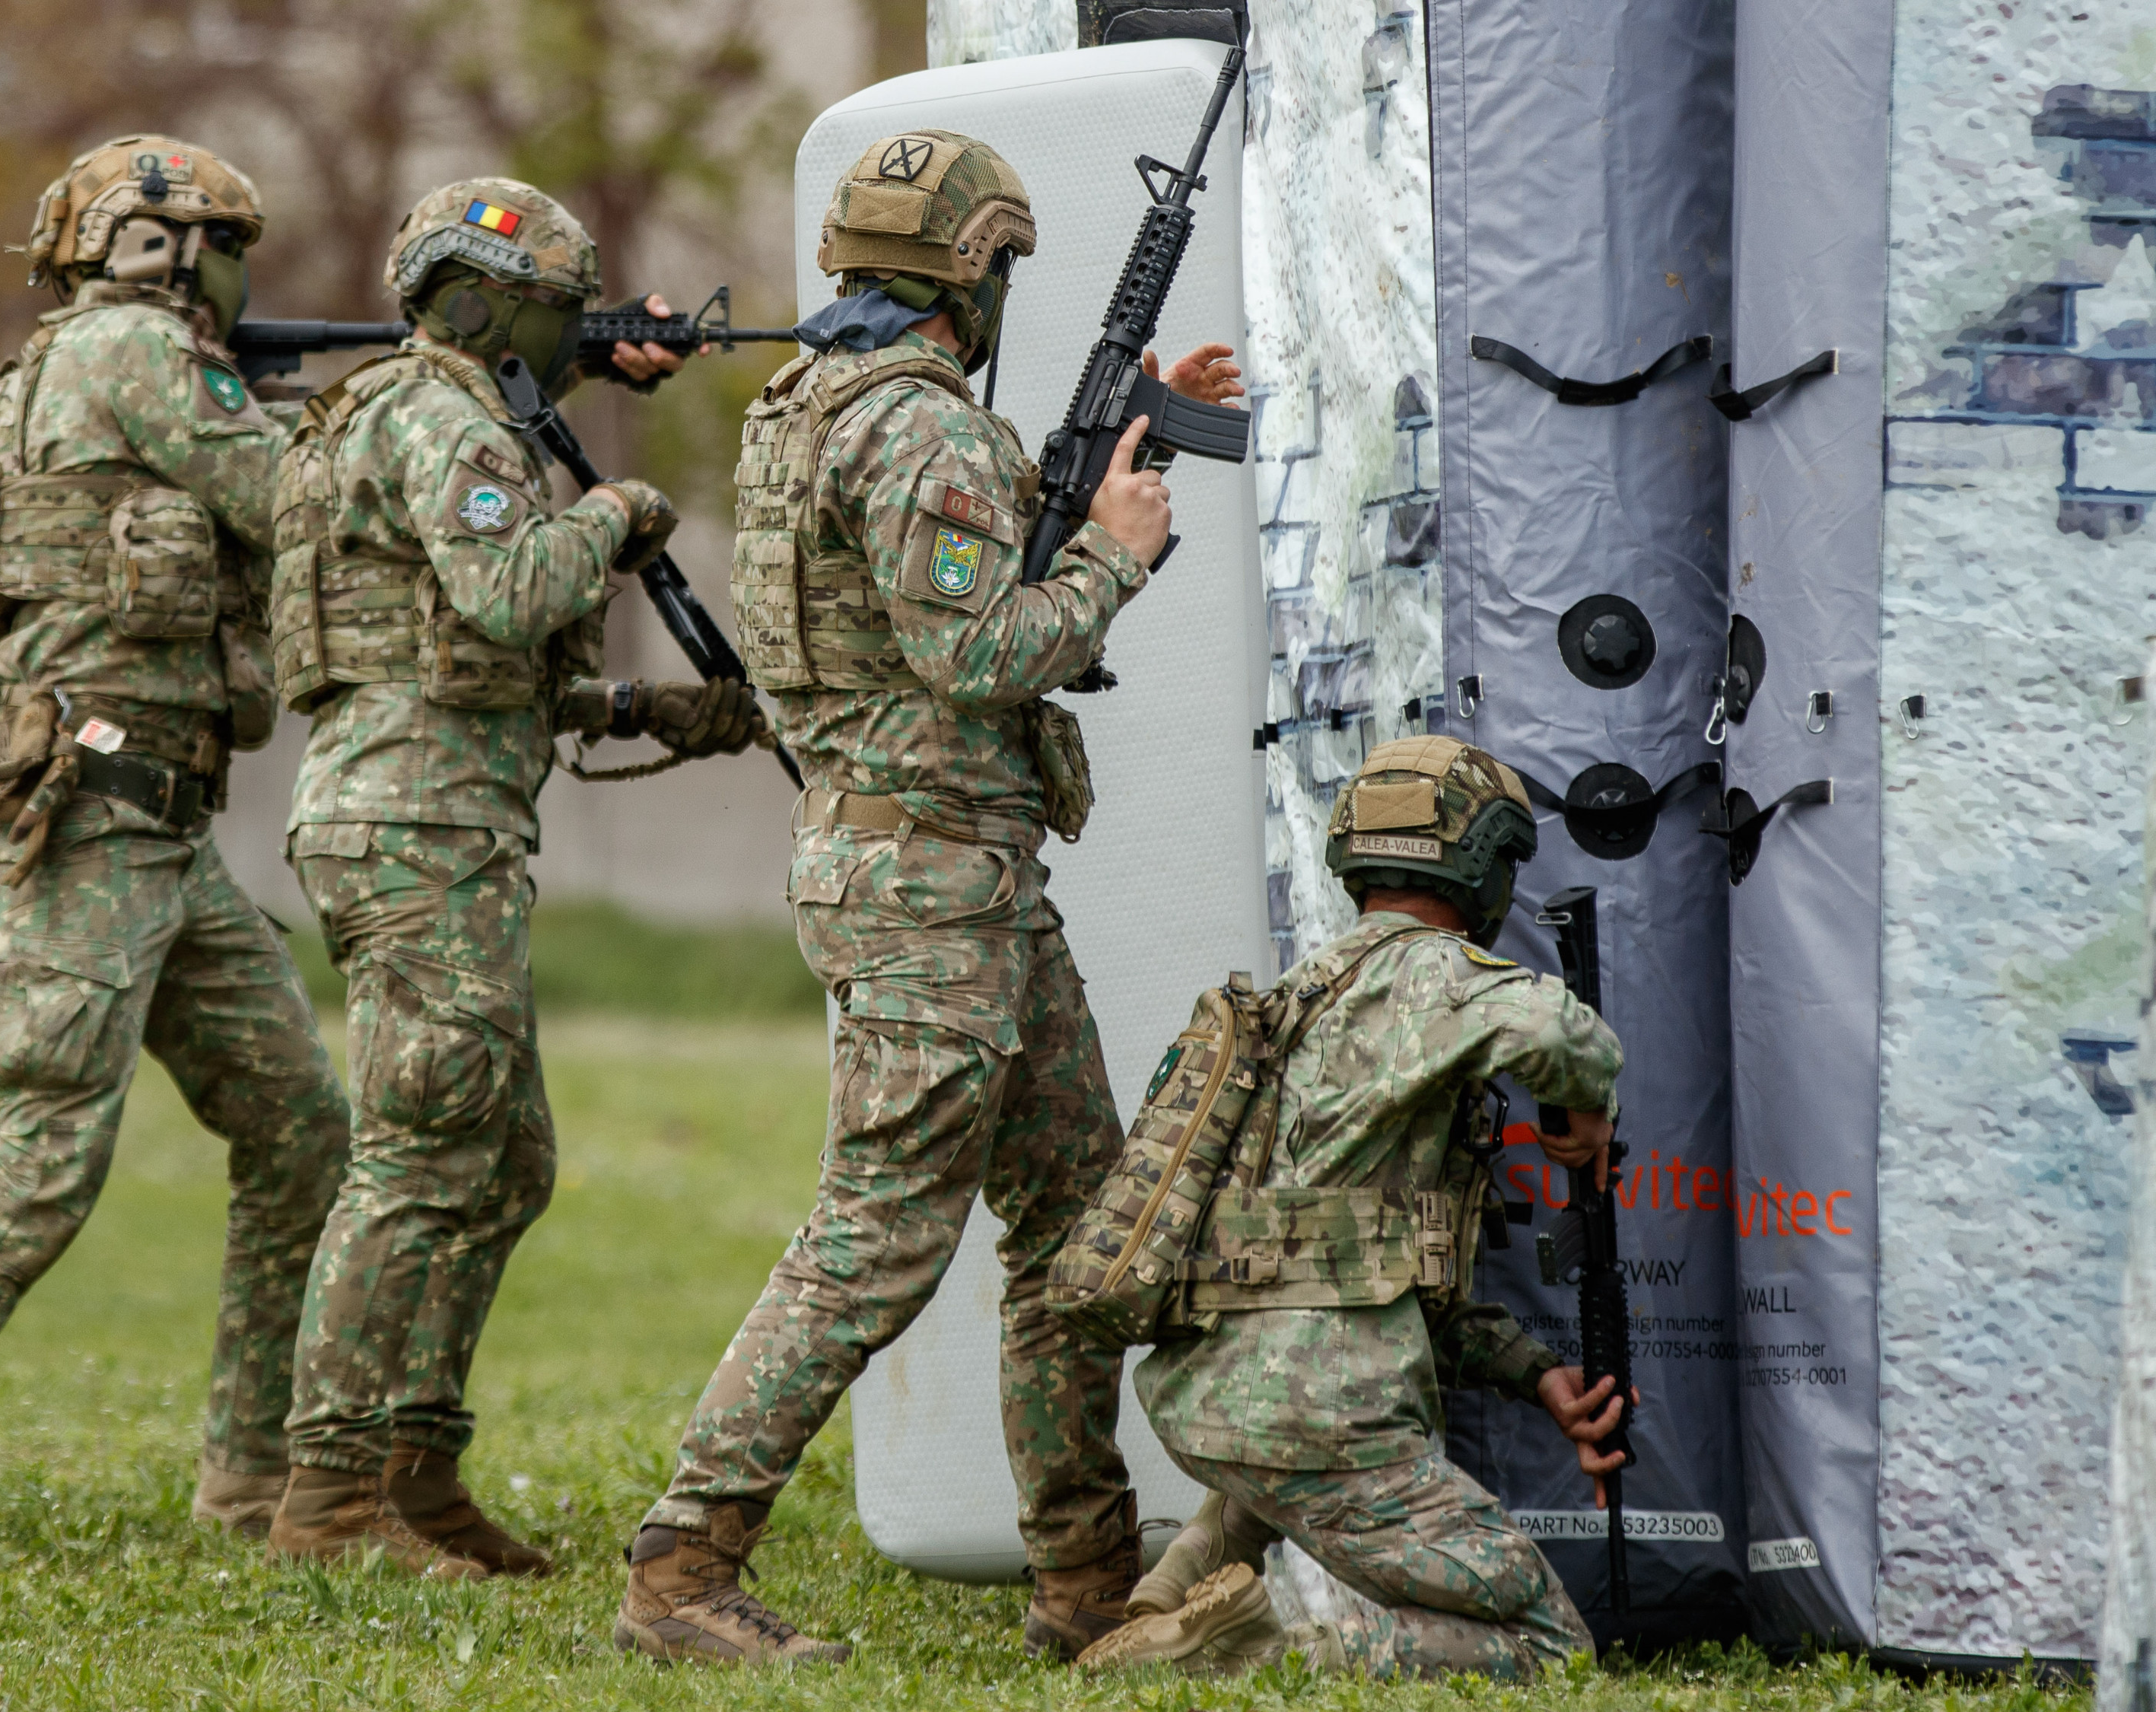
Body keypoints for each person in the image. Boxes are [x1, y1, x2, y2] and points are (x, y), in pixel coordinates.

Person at [613, 129, 1245, 1665]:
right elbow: (982, 653)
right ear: (972, 274)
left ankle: (1085, 1588)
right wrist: (1113, 552)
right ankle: (680, 1575)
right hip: (926, 891)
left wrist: (1097, 473)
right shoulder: (917, 426)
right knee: (876, 1237)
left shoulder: (810, 407)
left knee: (1068, 1220)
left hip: (945, 874)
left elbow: (918, 606)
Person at [0, 135, 357, 1554]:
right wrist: (440, 417)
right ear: (156, 247)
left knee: (299, 1130)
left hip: (156, 829)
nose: (235, 279)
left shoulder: (103, 360)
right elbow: (309, 504)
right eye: (226, 247)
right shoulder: (141, 356)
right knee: (50, 1144)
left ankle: (248, 1479)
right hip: (87, 813)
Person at [262, 177, 765, 1580]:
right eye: (551, 316)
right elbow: (511, 591)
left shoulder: (407, 414)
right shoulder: (438, 417)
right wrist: (618, 514)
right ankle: (330, 1498)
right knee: (421, 1161)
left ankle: (414, 1473)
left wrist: (646, 714)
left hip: (435, 819)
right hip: (416, 831)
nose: (559, 344)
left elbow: (469, 662)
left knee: (504, 1161)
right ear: (481, 306)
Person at [1080, 734, 1630, 1681]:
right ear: (1485, 866)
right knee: (1549, 1646)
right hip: (1324, 1417)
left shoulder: (1301, 995)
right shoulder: (1428, 976)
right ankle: (1273, 1652)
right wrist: (1579, 1111)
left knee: (1290, 1438)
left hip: (1211, 1394)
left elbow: (1372, 1268)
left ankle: (1172, 1595)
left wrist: (1538, 1374)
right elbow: (1562, 1031)